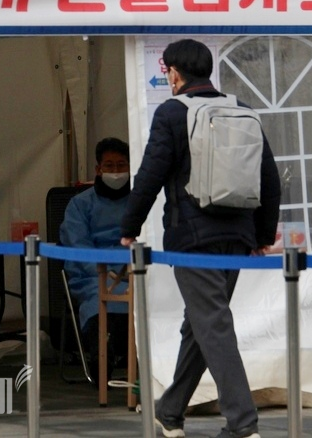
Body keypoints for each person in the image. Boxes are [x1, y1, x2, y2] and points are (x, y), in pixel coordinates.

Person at [120, 39, 281, 438]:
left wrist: (129, 227)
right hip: (237, 237)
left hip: (193, 240)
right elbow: (270, 180)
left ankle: (243, 424)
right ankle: (170, 411)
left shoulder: (172, 113)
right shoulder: (242, 110)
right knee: (202, 324)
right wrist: (260, 235)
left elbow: (151, 175)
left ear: (174, 73)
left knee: (212, 325)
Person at [59, 137, 132, 382]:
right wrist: (103, 272)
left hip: (134, 270)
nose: (115, 171)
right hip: (93, 274)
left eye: (121, 165)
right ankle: (102, 360)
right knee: (99, 296)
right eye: (109, 166)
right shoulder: (79, 205)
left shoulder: (140, 201)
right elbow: (77, 246)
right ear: (98, 170)